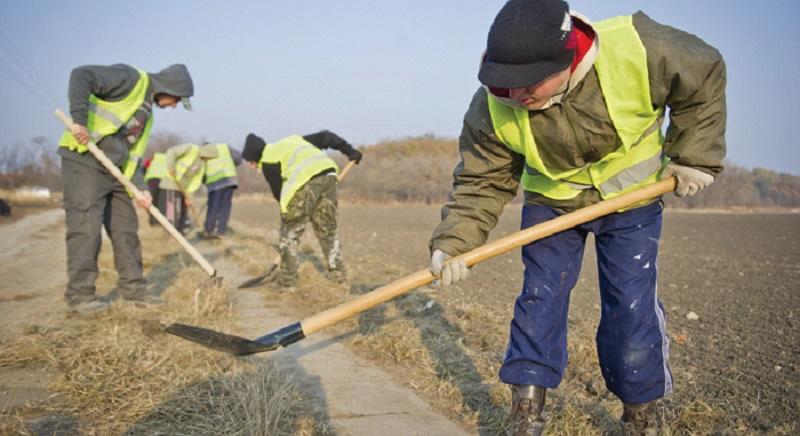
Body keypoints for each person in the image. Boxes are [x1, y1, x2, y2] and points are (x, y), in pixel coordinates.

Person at [427, 1, 726, 435]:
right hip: (552, 204)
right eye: (505, 84)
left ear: (566, 58)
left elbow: (705, 74)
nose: (516, 95)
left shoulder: (641, 48)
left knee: (631, 305)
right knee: (539, 299)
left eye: (528, 84)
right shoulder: (491, 106)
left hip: (632, 201)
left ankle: (642, 413)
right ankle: (526, 410)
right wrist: (454, 243)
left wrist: (694, 156)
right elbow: (481, 181)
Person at [59, 63, 194, 314]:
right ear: (170, 87)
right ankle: (80, 296)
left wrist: (140, 188)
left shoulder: (147, 115)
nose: (175, 105)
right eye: (176, 99)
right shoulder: (130, 78)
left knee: (126, 231)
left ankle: (133, 290)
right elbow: (80, 74)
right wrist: (79, 121)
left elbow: (133, 156)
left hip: (118, 172)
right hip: (85, 159)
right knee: (86, 229)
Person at [241, 131, 363, 290]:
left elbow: (280, 195)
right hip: (328, 175)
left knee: (289, 234)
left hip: (306, 182)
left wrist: (290, 219)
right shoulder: (294, 141)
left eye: (250, 162)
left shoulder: (268, 161)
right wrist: (350, 151)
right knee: (327, 231)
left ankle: (288, 283)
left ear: (255, 156)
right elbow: (326, 136)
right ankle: (340, 278)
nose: (251, 166)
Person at [160, 143, 216, 234]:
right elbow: (171, 152)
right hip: (171, 183)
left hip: (183, 189)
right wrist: (171, 166)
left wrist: (189, 197)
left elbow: (195, 182)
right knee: (172, 211)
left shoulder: (202, 164)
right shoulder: (190, 149)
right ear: (206, 152)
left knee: (183, 211)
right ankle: (170, 234)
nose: (209, 160)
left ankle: (180, 232)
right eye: (209, 157)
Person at [201, 143, 243, 239]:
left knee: (213, 207)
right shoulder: (224, 147)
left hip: (214, 183)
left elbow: (201, 171)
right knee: (225, 207)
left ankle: (209, 230)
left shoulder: (202, 153)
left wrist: (204, 181)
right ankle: (221, 231)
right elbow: (238, 158)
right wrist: (232, 164)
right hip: (229, 180)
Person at [144, 152, 168, 226]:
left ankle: (152, 222)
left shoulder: (152, 159)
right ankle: (160, 221)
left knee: (152, 201)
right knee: (162, 202)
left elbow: (144, 167)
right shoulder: (168, 159)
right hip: (163, 180)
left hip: (151, 180)